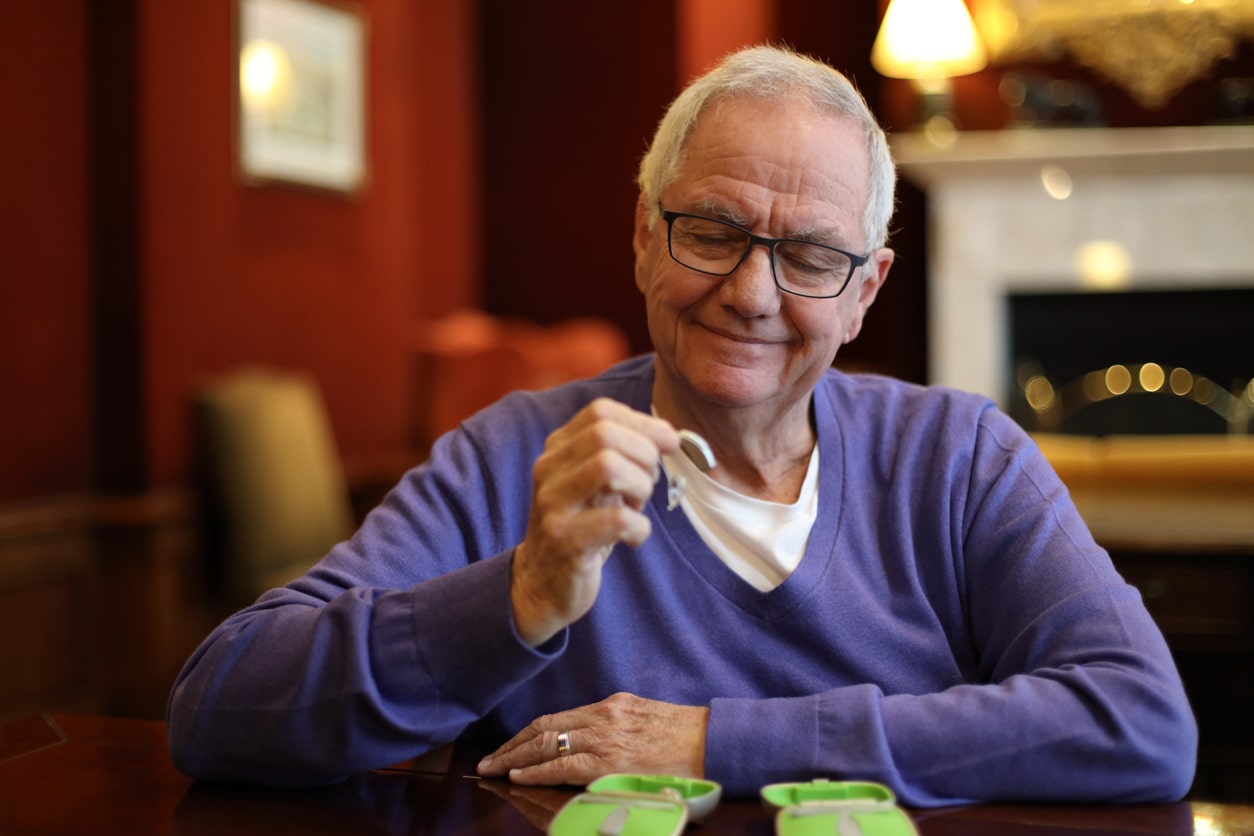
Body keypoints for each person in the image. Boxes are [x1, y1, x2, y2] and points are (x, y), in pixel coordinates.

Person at [167, 45, 1197, 806]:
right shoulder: (512, 455)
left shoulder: (962, 458)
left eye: (809, 256)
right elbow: (217, 705)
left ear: (866, 291)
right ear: (642, 236)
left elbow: (1139, 719)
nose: (750, 293)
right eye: (710, 231)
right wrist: (521, 594)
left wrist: (712, 742)